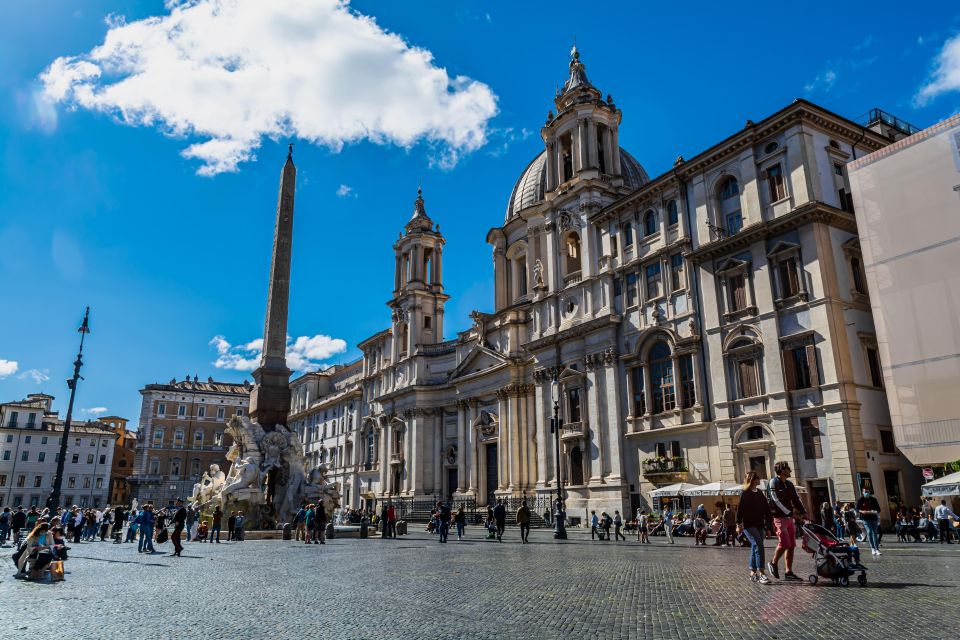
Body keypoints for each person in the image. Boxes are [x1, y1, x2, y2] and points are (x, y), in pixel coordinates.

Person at [767, 461, 806, 581]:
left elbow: (795, 499)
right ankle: (773, 563)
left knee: (791, 545)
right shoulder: (773, 482)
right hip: (779, 517)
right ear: (782, 470)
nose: (790, 470)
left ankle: (788, 572)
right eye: (788, 468)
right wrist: (789, 513)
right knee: (784, 543)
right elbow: (775, 500)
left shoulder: (789, 484)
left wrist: (803, 512)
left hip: (789, 518)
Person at [736, 471, 772, 584]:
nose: (759, 479)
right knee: (759, 545)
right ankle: (762, 573)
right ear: (752, 479)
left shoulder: (760, 493)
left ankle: (752, 572)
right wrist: (738, 524)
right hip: (749, 525)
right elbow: (740, 509)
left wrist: (769, 525)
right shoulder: (745, 493)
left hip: (760, 524)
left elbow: (766, 509)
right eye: (757, 478)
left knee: (755, 546)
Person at [856, 490, 882, 555]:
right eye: (865, 492)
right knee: (869, 532)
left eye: (868, 492)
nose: (867, 493)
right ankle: (872, 548)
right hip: (865, 518)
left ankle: (877, 549)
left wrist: (875, 511)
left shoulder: (873, 499)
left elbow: (878, 509)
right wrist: (862, 511)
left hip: (873, 518)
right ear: (863, 492)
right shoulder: (861, 499)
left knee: (875, 533)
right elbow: (857, 509)